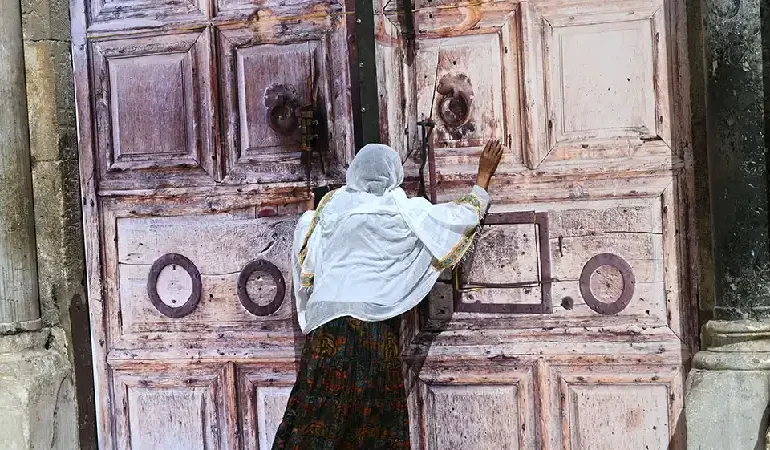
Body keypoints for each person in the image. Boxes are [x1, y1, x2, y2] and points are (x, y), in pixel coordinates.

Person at [271, 140, 504, 450]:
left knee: (317, 416)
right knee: (373, 424)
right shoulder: (403, 211)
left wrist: (310, 215)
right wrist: (483, 176)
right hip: (373, 332)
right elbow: (456, 219)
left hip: (328, 332)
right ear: (394, 175)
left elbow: (306, 243)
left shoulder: (332, 209)